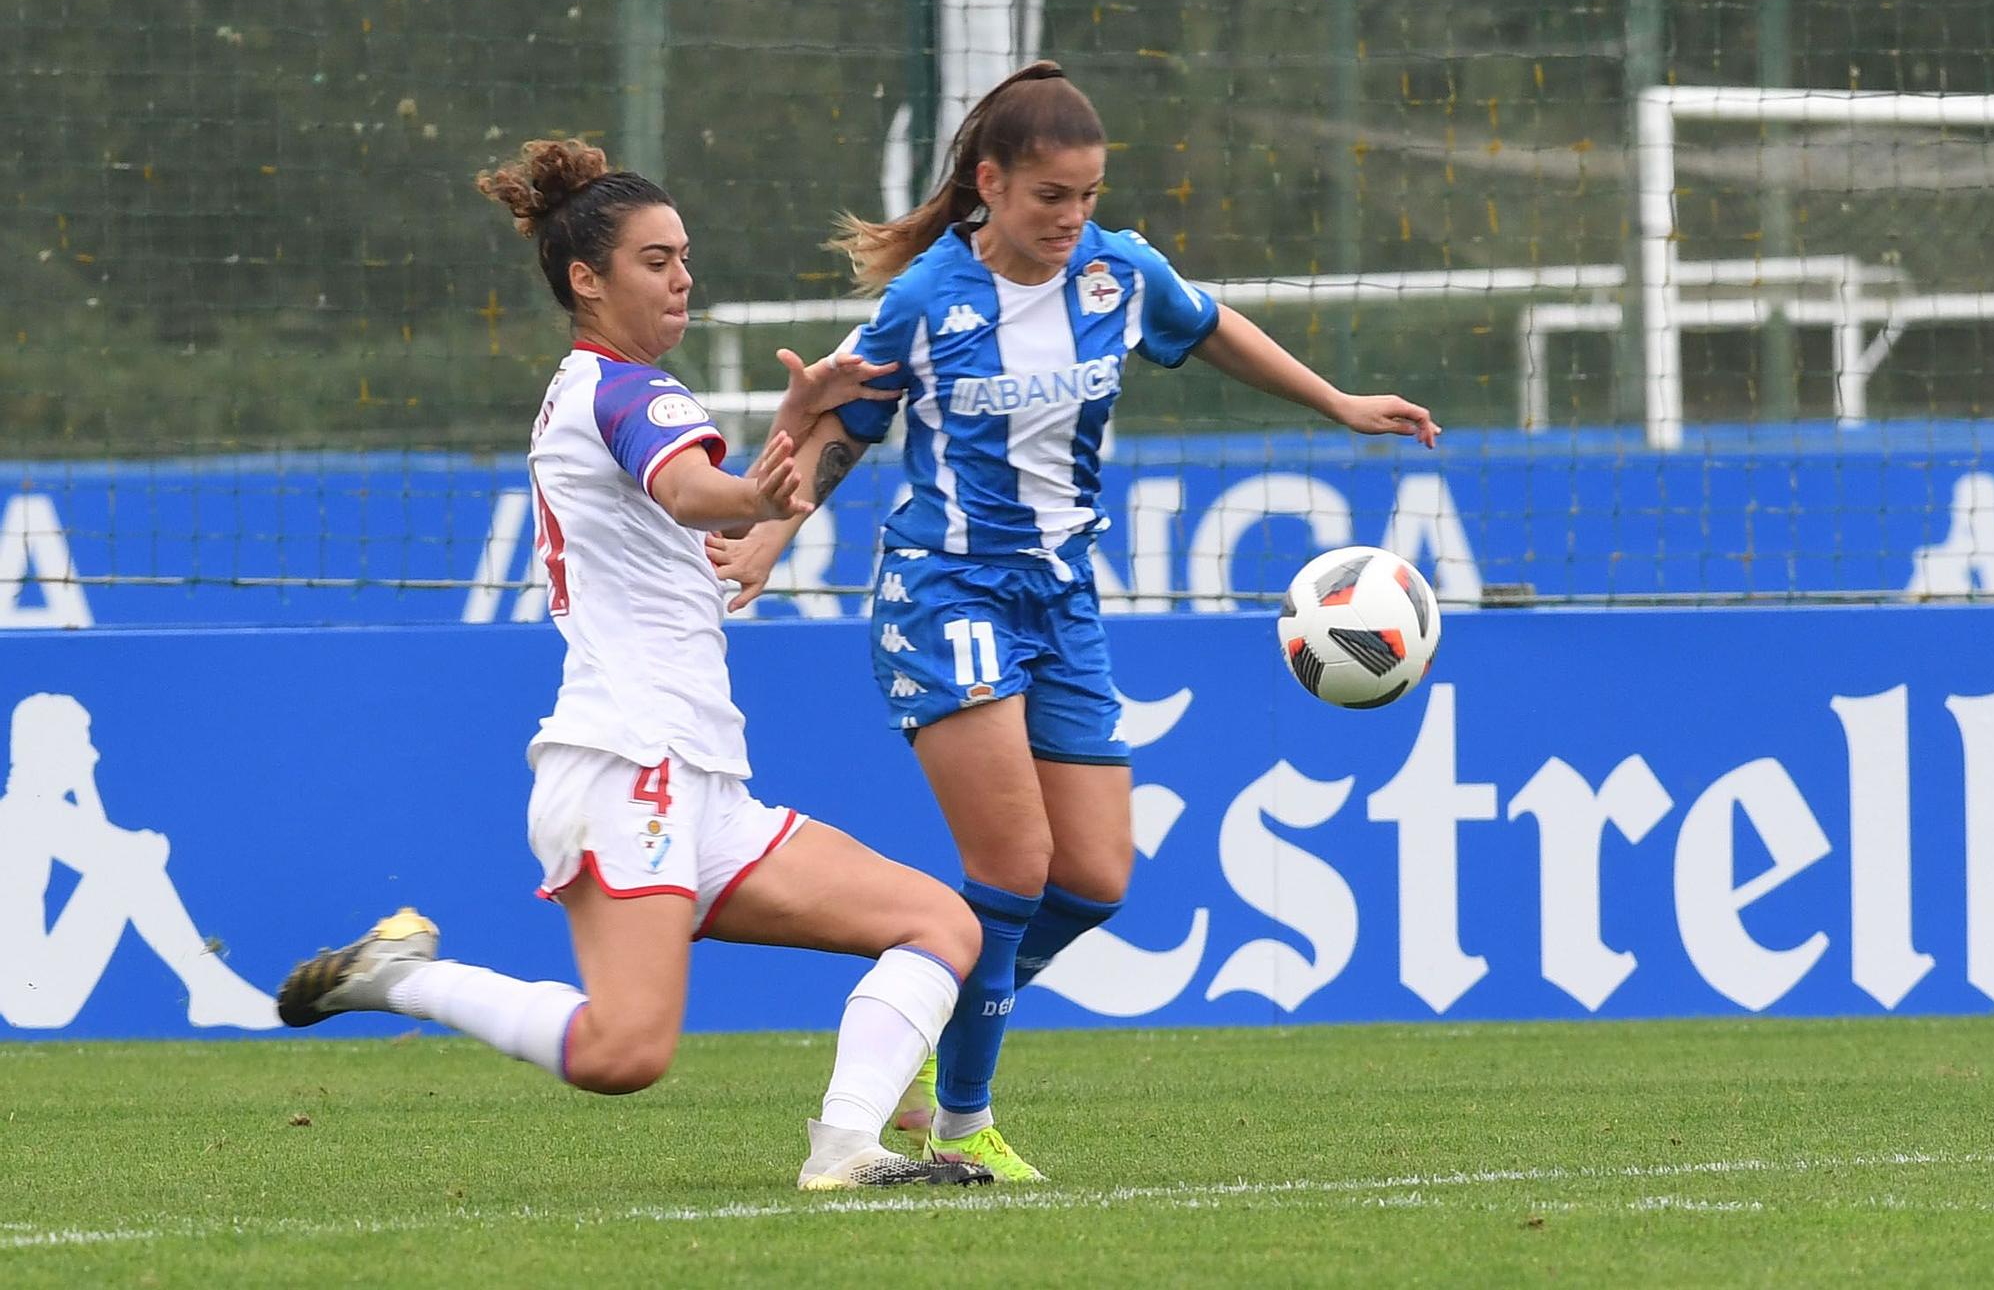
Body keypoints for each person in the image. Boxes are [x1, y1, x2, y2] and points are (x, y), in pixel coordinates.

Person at [708, 61, 1440, 1181]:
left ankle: (928, 1035)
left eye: (1088, 196)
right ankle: (956, 1120)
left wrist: (1336, 401)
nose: (1073, 219)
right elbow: (841, 419)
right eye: (1053, 196)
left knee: (1094, 881)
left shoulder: (1116, 274)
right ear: (990, 186)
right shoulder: (929, 301)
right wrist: (766, 532)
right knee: (1009, 866)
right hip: (945, 592)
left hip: (1063, 598)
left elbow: (1207, 327)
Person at [275, 139, 993, 1192]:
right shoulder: (622, 392)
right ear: (585, 279)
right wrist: (752, 497)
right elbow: (700, 494)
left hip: (697, 780)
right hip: (628, 766)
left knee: (937, 923)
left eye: (684, 257)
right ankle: (402, 980)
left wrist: (788, 433)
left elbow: (696, 503)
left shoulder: (618, 398)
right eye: (655, 260)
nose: (682, 277)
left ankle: (845, 1150)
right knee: (626, 1054)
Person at [0, 693, 277, 1031]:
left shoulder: (29, 810)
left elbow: (109, 848)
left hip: (33, 994)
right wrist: (84, 781)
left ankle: (210, 986)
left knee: (128, 864)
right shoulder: (25, 814)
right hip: (32, 1001)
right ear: (50, 752)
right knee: (131, 864)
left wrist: (83, 781)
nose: (92, 754)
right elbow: (130, 853)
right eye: (80, 743)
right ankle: (210, 987)